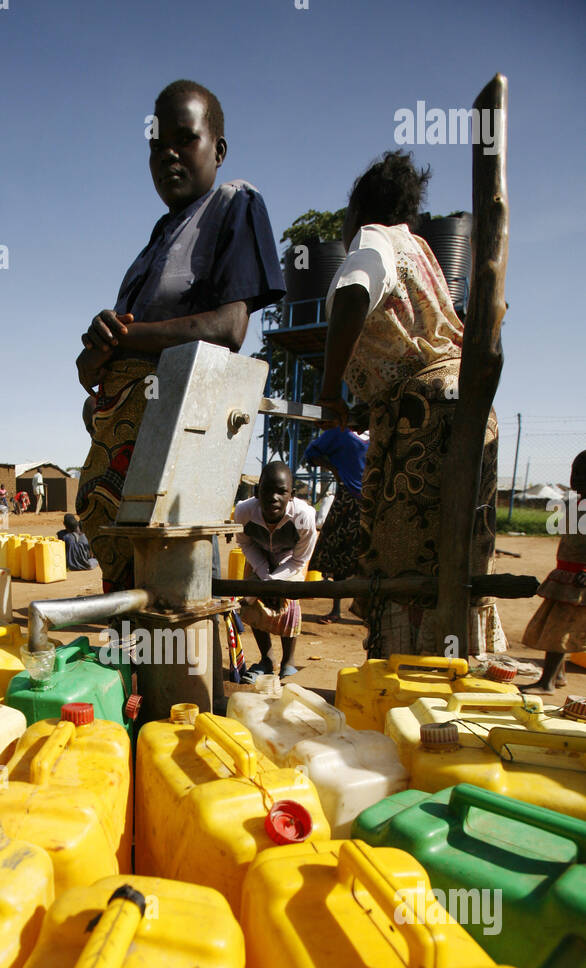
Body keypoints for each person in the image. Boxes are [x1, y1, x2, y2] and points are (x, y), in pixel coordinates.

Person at [75, 78, 285, 590]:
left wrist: (127, 337)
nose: (168, 154)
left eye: (184, 139)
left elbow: (228, 327)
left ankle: (194, 671)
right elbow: (88, 372)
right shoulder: (155, 243)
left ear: (218, 148)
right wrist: (99, 340)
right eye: (156, 145)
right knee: (132, 611)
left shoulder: (234, 203)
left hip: (175, 452)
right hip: (124, 454)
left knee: (178, 597)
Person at [318, 150, 504, 659]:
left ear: (359, 210)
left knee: (406, 563)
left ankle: (408, 684)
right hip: (465, 408)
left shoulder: (374, 237)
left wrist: (331, 387)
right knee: (458, 562)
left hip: (426, 422)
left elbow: (356, 291)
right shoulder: (423, 251)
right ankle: (453, 680)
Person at [234, 462, 316, 680]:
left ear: (292, 495)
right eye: (267, 490)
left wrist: (274, 582)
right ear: (256, 491)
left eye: (281, 491)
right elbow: (246, 544)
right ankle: (267, 659)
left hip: (291, 560)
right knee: (252, 603)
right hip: (259, 556)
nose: (273, 497)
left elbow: (300, 559)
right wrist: (263, 577)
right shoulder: (244, 512)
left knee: (288, 603)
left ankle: (289, 662)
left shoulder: (303, 517)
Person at [521, 451, 586, 694]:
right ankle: (558, 676)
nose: (577, 478)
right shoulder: (576, 504)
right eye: (575, 472)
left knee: (559, 631)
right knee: (555, 626)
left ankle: (546, 682)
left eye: (584, 474)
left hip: (579, 580)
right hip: (565, 576)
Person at [303, 421, 369, 621]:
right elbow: (311, 453)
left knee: (369, 553)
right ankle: (336, 609)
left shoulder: (381, 432)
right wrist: (334, 468)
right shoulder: (340, 433)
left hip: (374, 500)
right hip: (348, 498)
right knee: (339, 550)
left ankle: (366, 610)